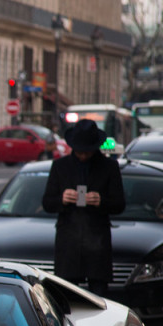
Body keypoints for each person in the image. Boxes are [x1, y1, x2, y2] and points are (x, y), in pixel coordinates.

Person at [41, 120, 125, 296]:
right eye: (79, 151)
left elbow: (119, 204)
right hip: (69, 243)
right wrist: (62, 199)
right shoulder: (60, 166)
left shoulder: (109, 167)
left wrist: (101, 201)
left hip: (97, 244)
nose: (83, 156)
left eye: (87, 151)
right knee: (67, 298)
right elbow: (47, 203)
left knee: (99, 299)